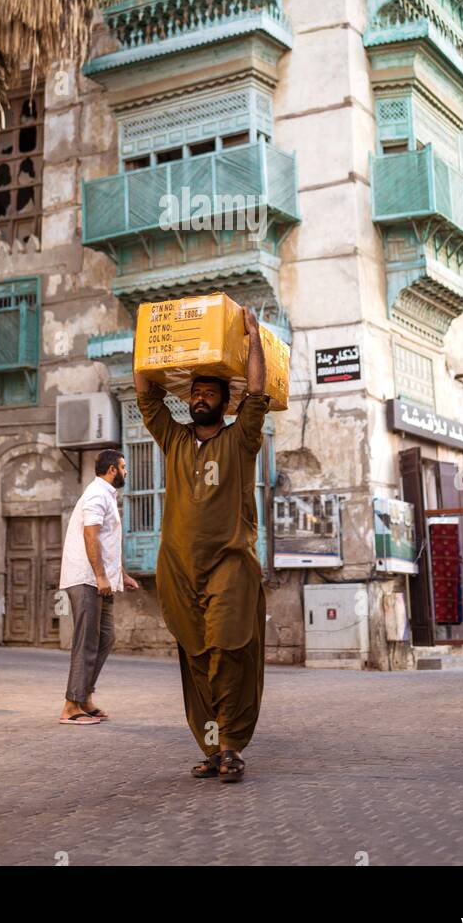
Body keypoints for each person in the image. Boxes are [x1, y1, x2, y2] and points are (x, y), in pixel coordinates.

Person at [134, 306, 269, 783]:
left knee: (228, 649)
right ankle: (211, 748)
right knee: (194, 655)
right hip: (178, 566)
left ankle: (232, 745)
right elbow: (148, 398)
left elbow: (257, 394)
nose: (200, 398)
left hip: (230, 562)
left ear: (223, 402)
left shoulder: (241, 440)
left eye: (209, 392)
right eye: (195, 392)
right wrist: (146, 340)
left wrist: (253, 338)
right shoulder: (172, 440)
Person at [58, 448, 139, 725]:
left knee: (105, 638)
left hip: (100, 579)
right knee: (87, 641)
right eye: (123, 467)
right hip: (87, 579)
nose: (126, 472)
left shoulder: (105, 494)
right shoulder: (96, 493)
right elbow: (90, 535)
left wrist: (120, 575)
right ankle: (70, 707)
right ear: (112, 469)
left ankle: (84, 698)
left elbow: (106, 543)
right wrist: (101, 577)